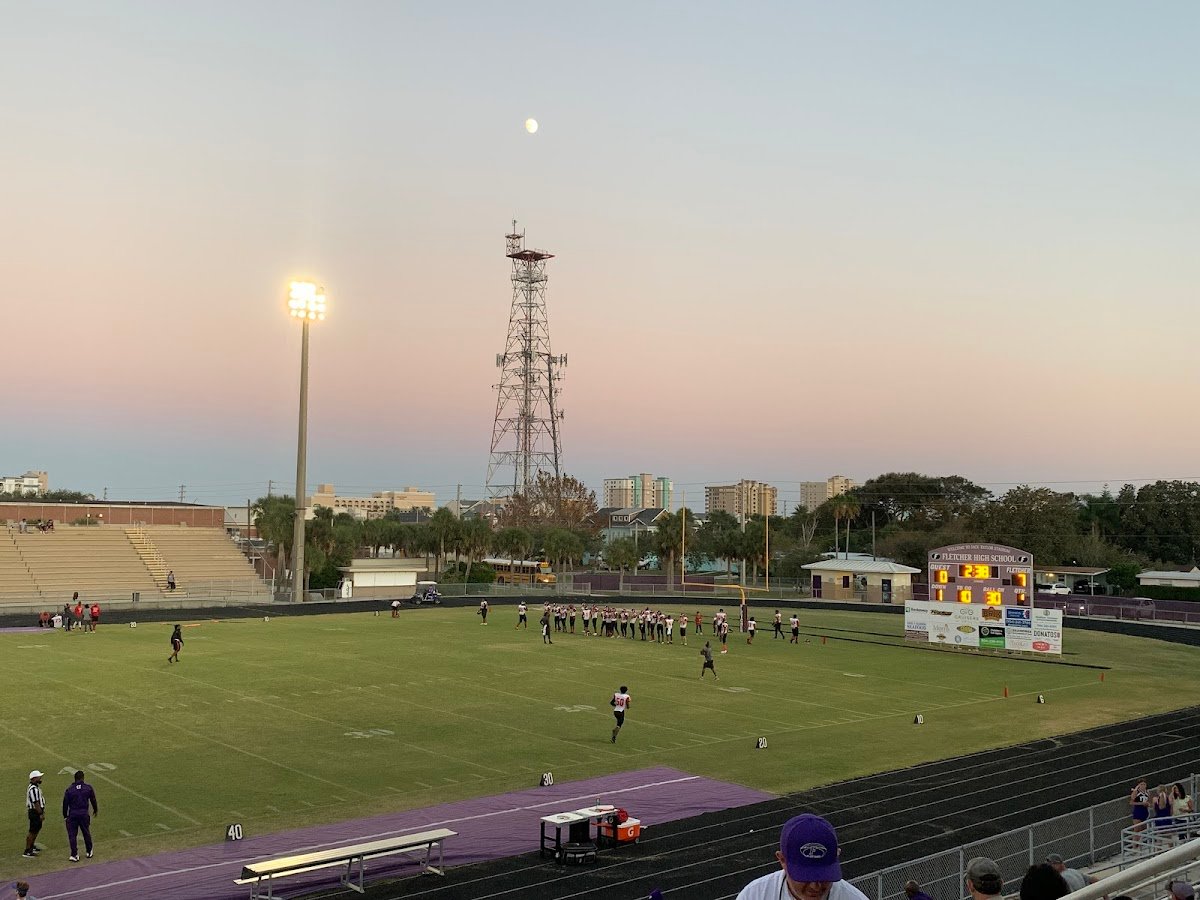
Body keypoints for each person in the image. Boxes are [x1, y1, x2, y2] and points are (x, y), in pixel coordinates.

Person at [735, 813, 867, 900]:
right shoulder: (754, 895)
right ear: (782, 860)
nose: (815, 886)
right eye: (806, 876)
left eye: (823, 876)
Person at [62, 770, 98, 862]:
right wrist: (95, 809)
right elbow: (93, 799)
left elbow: (65, 803)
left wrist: (65, 815)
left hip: (73, 814)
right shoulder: (88, 788)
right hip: (83, 813)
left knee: (72, 835)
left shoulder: (69, 789)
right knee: (86, 832)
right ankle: (89, 851)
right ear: (82, 778)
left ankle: (74, 854)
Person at [24, 770, 45, 858]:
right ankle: (27, 850)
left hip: (35, 811)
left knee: (36, 829)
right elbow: (36, 802)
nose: (40, 778)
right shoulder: (33, 789)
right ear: (34, 778)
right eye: (39, 777)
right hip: (35, 812)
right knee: (32, 831)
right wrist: (40, 813)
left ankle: (32, 846)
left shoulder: (34, 787)